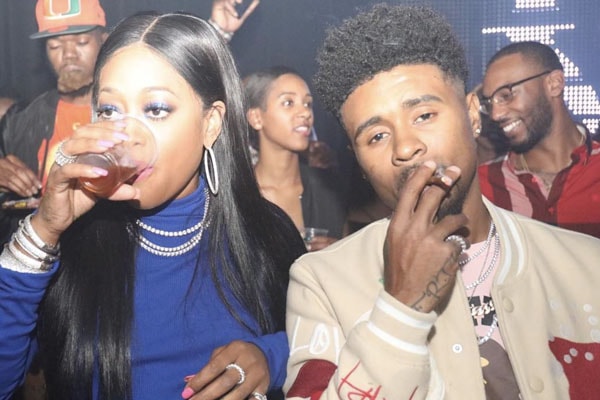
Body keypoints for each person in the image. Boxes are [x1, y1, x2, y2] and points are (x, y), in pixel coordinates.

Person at [283, 4, 600, 399]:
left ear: (472, 114)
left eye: (424, 115)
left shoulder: (588, 264)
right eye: (376, 136)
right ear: (359, 162)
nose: (405, 147)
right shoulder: (323, 282)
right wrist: (401, 310)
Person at [0, 10, 306, 400]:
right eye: (110, 111)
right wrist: (43, 230)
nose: (126, 136)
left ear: (211, 123)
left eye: (156, 109)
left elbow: (328, 341)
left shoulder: (266, 234)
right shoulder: (70, 244)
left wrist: (272, 357)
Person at [0, 0, 258, 247]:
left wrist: (218, 29)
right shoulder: (19, 120)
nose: (68, 55)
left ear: (104, 41)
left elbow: (179, 72)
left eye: (81, 42)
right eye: (55, 46)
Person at [478, 41, 600, 239]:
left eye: (506, 95)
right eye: (489, 103)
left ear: (554, 84)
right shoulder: (482, 186)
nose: (495, 114)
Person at [243, 66, 346, 250]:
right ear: (256, 118)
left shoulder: (329, 189)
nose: (305, 113)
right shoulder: (237, 196)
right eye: (288, 103)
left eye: (308, 104)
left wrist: (338, 251)